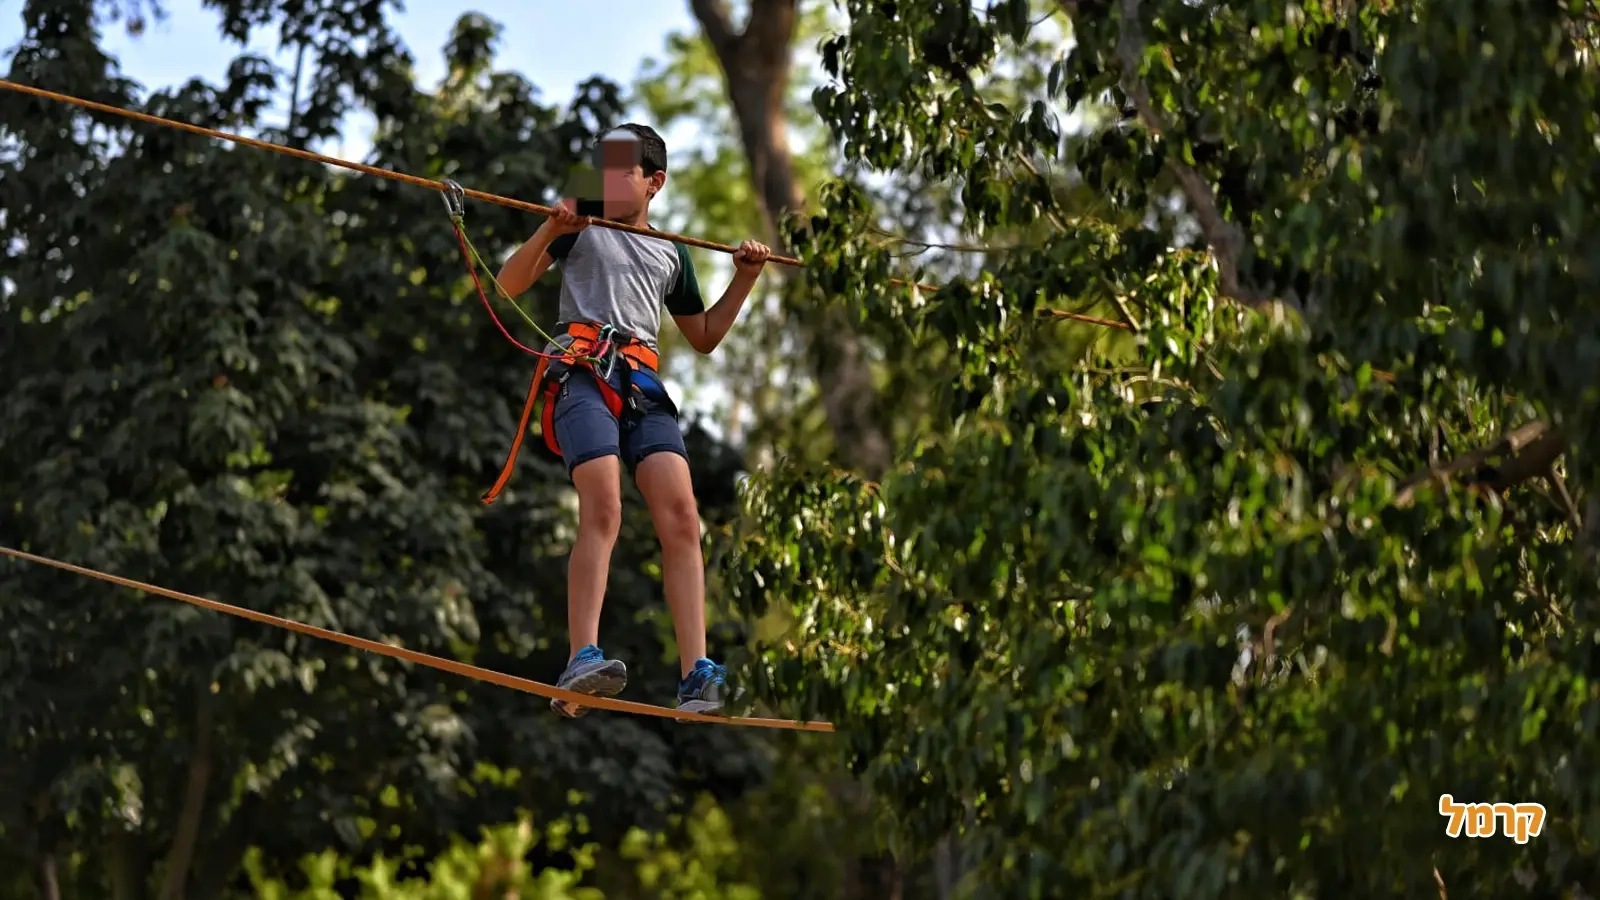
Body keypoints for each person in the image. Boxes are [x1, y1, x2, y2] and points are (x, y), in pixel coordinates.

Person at [495, 123, 771, 717]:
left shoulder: (671, 253)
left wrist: (744, 277)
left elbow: (703, 336)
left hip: (642, 384)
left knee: (682, 517)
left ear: (653, 183)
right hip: (582, 373)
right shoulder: (580, 228)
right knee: (605, 506)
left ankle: (695, 673)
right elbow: (509, 285)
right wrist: (551, 227)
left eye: (620, 169)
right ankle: (581, 656)